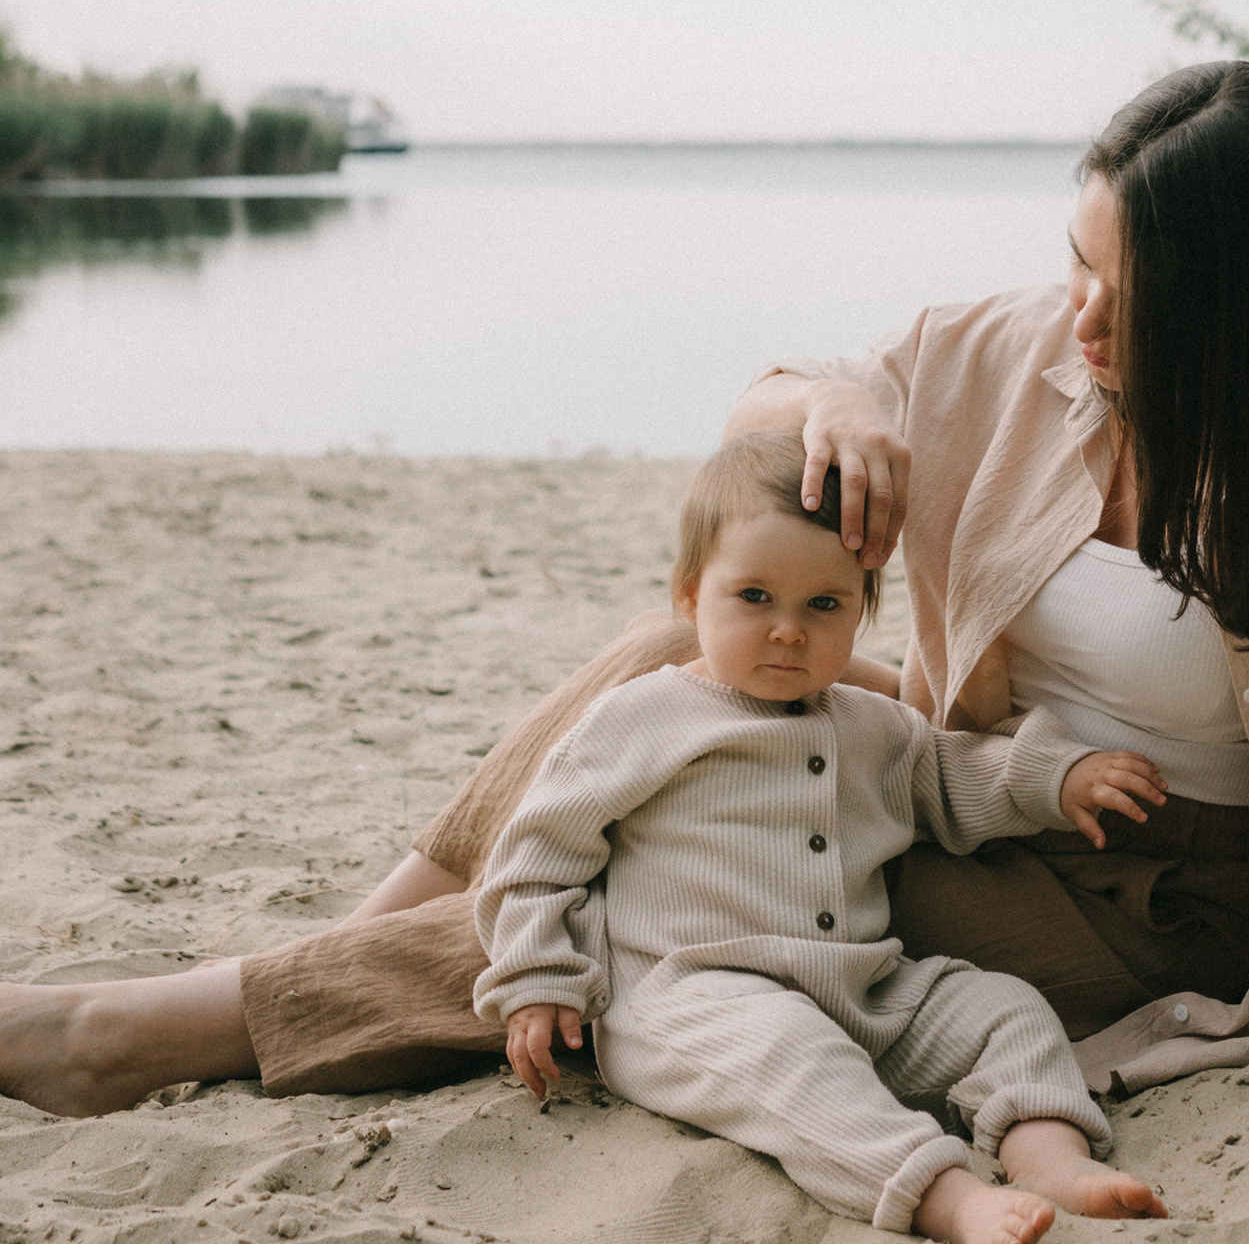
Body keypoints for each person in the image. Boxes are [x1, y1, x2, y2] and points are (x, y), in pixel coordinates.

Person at [0, 61, 1249, 1164]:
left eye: (1121, 292)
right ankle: (361, 940)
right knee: (679, 664)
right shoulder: (1026, 360)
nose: (1078, 316)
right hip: (968, 765)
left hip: (1161, 884)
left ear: (1242, 316)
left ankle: (137, 1029)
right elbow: (773, 411)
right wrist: (842, 402)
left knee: (699, 881)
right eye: (1072, 263)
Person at [477, 431, 1168, 1242]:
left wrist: (1055, 779)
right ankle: (946, 1198)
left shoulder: (874, 726)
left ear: (864, 611)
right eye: (755, 598)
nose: (788, 632)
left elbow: (954, 779)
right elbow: (535, 855)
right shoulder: (642, 716)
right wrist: (536, 975)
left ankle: (1045, 1150)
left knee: (1003, 1008)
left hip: (864, 993)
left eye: (824, 606)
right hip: (694, 1001)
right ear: (690, 595)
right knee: (794, 1060)